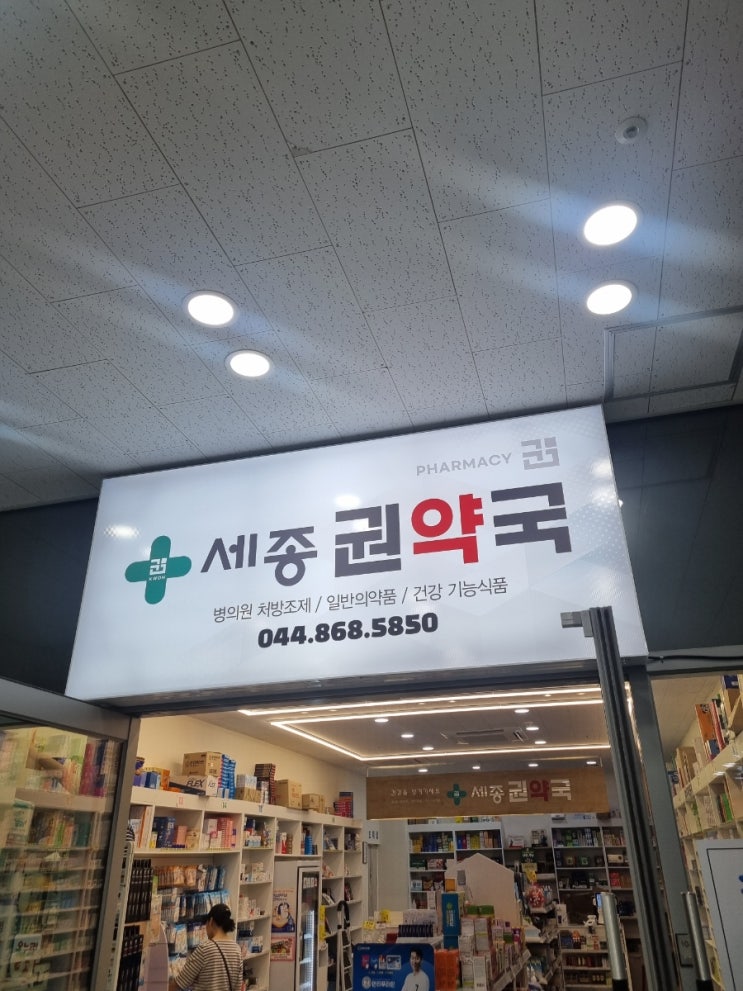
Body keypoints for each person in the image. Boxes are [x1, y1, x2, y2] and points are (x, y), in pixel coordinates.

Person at [171, 903, 243, 991]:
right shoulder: (236, 949)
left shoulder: (205, 949)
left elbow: (180, 982)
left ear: (211, 921)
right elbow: (238, 987)